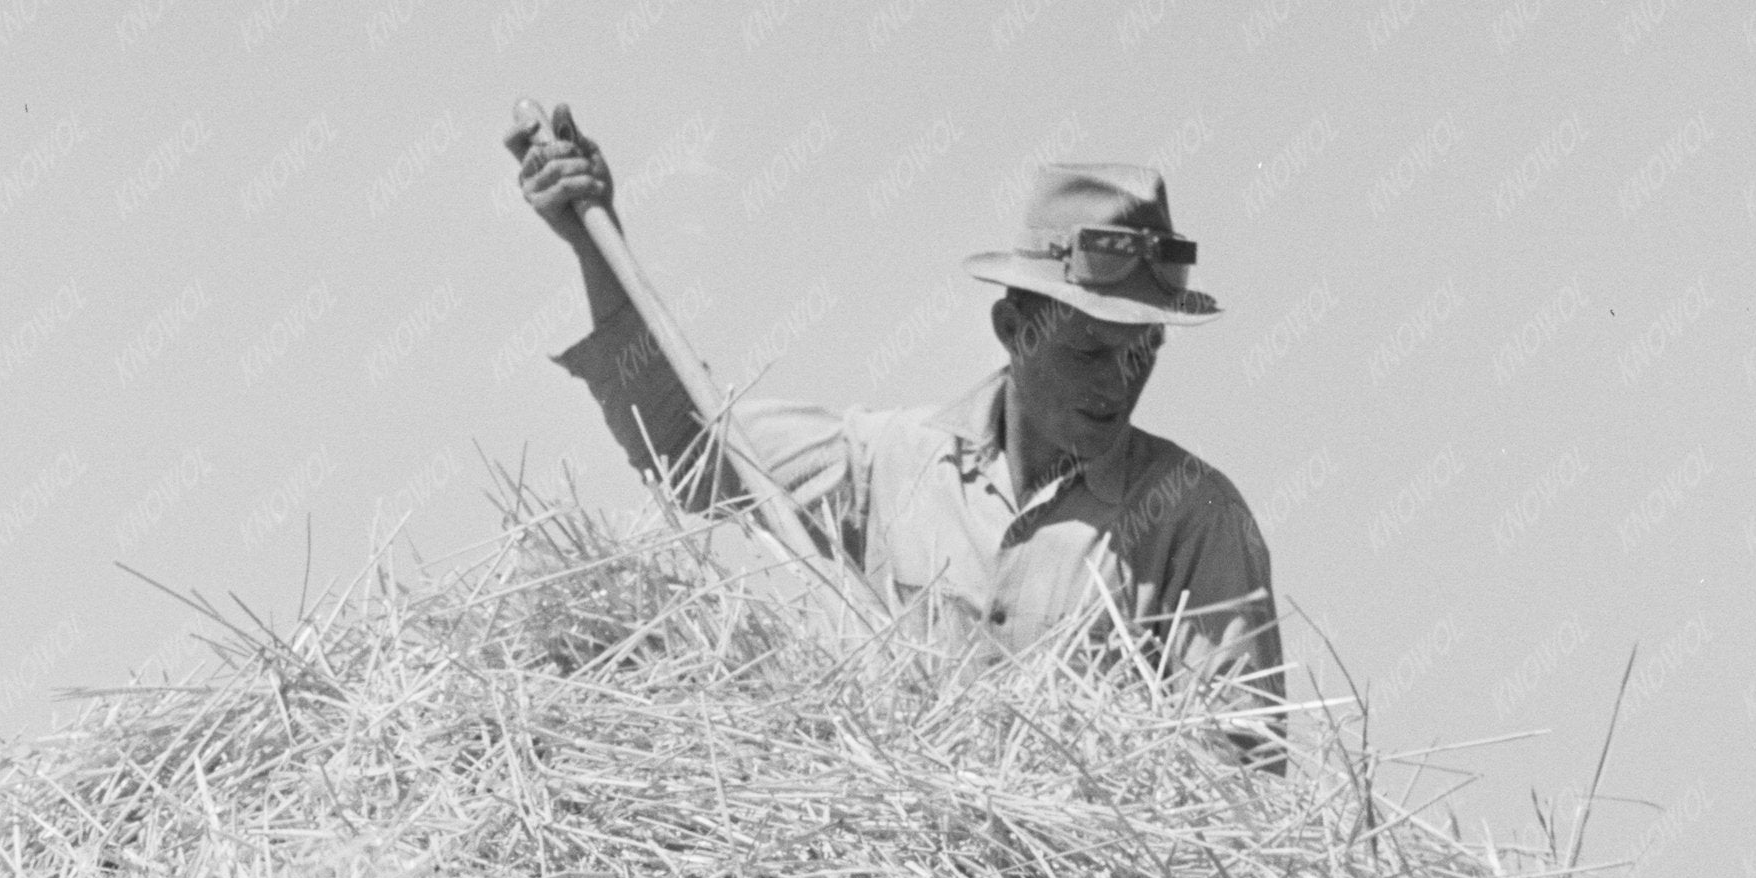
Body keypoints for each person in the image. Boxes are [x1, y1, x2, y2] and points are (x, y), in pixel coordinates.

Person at [508, 112, 1291, 755]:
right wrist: (590, 242)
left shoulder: (1195, 518)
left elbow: (1235, 775)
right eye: (1088, 350)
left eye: (1142, 351)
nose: (1119, 381)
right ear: (1014, 328)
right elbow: (686, 447)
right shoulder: (886, 461)